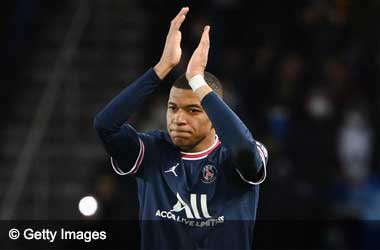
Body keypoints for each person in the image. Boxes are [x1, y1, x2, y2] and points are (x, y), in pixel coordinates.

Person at [94, 7, 268, 250]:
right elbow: (105, 125)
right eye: (173, 108)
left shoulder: (234, 156)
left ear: (215, 116)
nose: (178, 118)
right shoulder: (151, 151)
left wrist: (198, 80)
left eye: (193, 110)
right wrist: (162, 68)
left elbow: (245, 150)